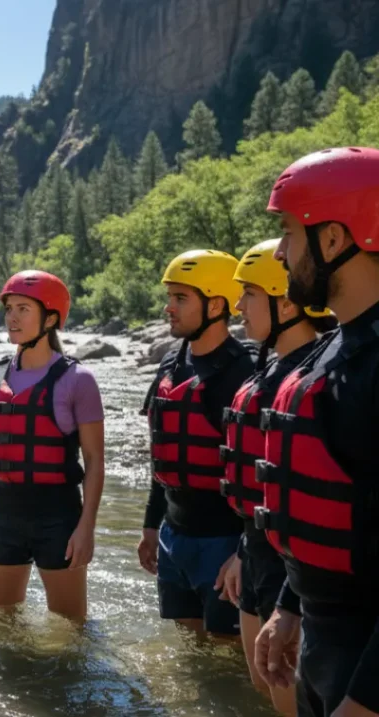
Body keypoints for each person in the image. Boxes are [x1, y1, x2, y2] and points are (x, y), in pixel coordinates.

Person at [253, 146, 379, 717]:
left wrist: (365, 698)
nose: (279, 253)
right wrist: (290, 605)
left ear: (334, 240)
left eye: (288, 233)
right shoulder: (330, 348)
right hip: (324, 639)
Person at [215, 239, 335, 716]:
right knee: (266, 691)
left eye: (248, 294)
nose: (239, 305)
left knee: (292, 701)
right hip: (257, 553)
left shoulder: (321, 375)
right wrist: (242, 549)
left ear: (286, 301)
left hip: (298, 570)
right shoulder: (266, 368)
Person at [0, 270, 105, 621]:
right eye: (8, 309)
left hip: (58, 516)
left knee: (71, 631)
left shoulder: (78, 381)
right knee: (1, 628)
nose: (12, 318)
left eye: (23, 308)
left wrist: (86, 527)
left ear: (50, 319)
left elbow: (95, 461)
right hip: (1, 513)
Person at [136, 249, 255, 638]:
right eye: (169, 297)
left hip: (225, 544)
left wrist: (245, 551)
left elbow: (263, 475)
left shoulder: (246, 371)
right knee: (194, 654)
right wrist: (151, 526)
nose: (168, 307)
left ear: (216, 304)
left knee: (230, 660)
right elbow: (162, 451)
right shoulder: (171, 363)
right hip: (174, 536)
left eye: (181, 298)